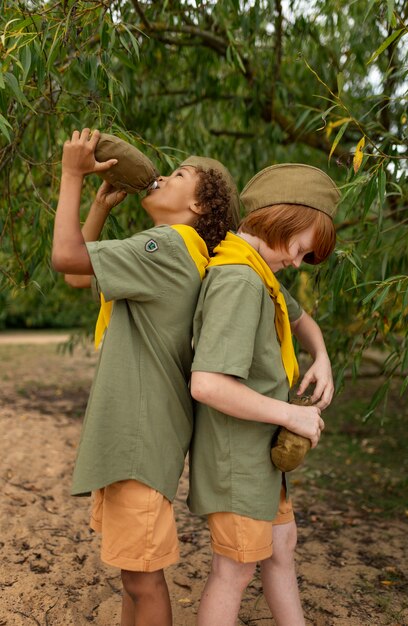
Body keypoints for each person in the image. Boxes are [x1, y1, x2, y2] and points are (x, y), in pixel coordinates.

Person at [51, 127, 240, 626]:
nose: (164, 175)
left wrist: (71, 176)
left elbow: (63, 257)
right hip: (138, 433)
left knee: (143, 578)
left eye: (179, 175)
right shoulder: (179, 254)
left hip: (139, 435)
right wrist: (100, 208)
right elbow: (77, 274)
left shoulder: (170, 247)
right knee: (131, 574)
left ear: (198, 207)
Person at [188, 163, 341, 626]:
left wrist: (322, 355)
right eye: (299, 250)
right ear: (280, 218)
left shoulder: (261, 274)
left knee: (282, 546)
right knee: (234, 569)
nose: (297, 263)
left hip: (256, 454)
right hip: (237, 456)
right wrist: (291, 416)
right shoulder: (239, 279)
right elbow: (208, 383)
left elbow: (299, 319)